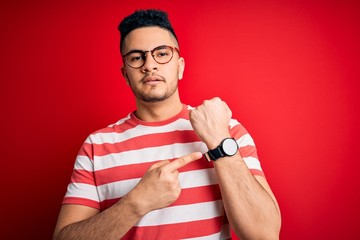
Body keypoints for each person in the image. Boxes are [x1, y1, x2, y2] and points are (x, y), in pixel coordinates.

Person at [53, 9, 281, 240]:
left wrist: (220, 143)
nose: (149, 65)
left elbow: (264, 235)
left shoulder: (226, 129)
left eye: (162, 54)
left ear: (180, 66)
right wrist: (135, 203)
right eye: (136, 57)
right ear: (125, 74)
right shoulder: (97, 146)